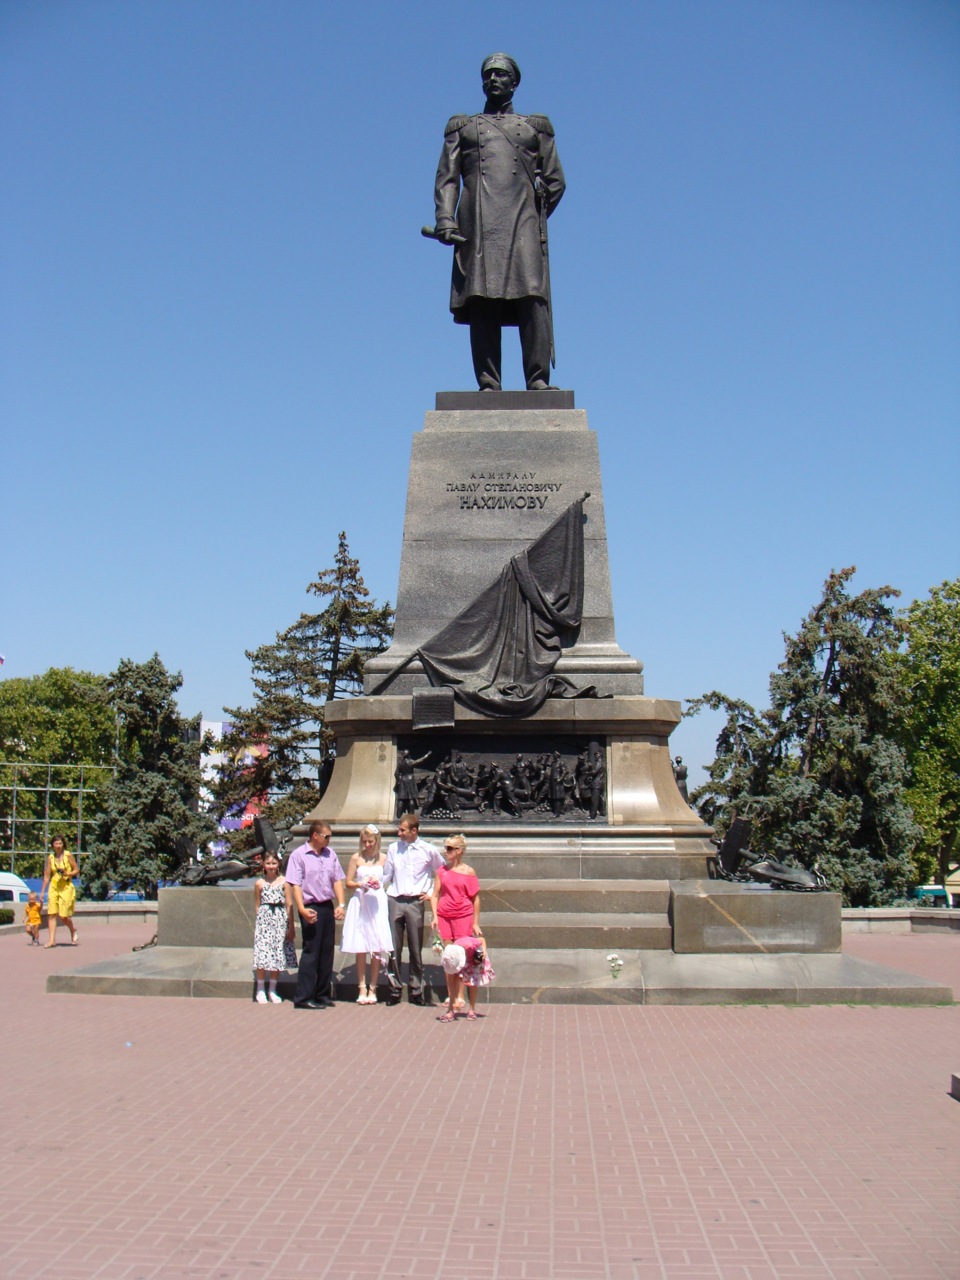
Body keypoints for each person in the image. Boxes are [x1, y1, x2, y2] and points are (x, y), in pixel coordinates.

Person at [433, 53, 565, 392]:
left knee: (532, 297)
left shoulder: (536, 128)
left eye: (501, 74)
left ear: (514, 82)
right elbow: (448, 179)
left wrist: (535, 213)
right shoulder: (463, 128)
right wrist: (445, 218)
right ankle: (489, 383)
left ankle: (537, 379)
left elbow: (555, 181)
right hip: (478, 223)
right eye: (488, 74)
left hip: (522, 221)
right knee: (483, 300)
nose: (493, 79)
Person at [381, 813, 445, 1005]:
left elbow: (442, 871)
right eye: (399, 829)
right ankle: (394, 989)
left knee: (415, 949)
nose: (399, 833)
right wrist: (373, 886)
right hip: (395, 899)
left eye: (402, 830)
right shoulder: (393, 848)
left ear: (414, 830)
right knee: (394, 948)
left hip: (416, 901)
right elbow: (387, 874)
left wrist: (432, 892)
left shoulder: (428, 850)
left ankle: (416, 990)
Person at [285, 820, 345, 1010]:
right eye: (326, 836)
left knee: (326, 953)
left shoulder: (330, 854)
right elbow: (295, 884)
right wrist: (301, 908)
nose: (329, 839)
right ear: (315, 836)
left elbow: (337, 880)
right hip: (310, 906)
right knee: (311, 952)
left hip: (326, 905)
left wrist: (341, 904)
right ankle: (304, 996)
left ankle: (322, 994)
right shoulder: (299, 855)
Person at [340, 824, 394, 1004]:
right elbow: (348, 882)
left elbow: (388, 878)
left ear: (377, 841)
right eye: (365, 842)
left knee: (376, 946)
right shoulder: (356, 858)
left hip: (377, 901)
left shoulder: (385, 858)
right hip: (361, 900)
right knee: (361, 945)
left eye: (370, 841)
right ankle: (361, 987)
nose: (367, 845)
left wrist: (379, 884)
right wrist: (360, 883)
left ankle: (374, 987)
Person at [252, 850, 294, 1004]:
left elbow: (289, 904)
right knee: (262, 954)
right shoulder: (259, 883)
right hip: (265, 920)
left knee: (277, 954)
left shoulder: (284, 882)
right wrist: (260, 923)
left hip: (279, 919)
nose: (271, 866)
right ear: (263, 864)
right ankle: (261, 989)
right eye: (268, 863)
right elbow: (257, 904)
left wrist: (290, 927)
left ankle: (273, 990)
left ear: (278, 864)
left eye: (274, 863)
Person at [439, 937, 495, 1023]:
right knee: (455, 979)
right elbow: (451, 982)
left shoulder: (469, 945)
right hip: (463, 957)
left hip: (476, 956)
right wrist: (454, 1000)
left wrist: (483, 952)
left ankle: (471, 1010)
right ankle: (450, 1010)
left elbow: (482, 940)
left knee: (472, 981)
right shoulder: (450, 955)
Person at [40, 835, 79, 947]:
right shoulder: (51, 857)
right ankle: (52, 940)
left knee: (63, 916)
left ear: (63, 845)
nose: (58, 846)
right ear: (52, 845)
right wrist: (42, 892)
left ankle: (72, 930)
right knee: (51, 914)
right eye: (56, 844)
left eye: (60, 843)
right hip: (54, 886)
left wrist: (68, 873)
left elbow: (76, 870)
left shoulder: (68, 855)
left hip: (66, 886)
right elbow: (47, 876)